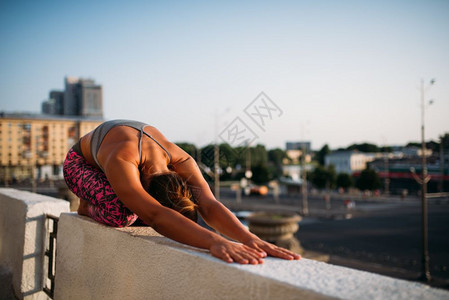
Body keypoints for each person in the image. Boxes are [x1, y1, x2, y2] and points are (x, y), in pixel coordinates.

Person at [63, 119, 300, 265]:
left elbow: (208, 203)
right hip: (79, 164)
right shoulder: (122, 159)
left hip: (112, 160)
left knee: (132, 209)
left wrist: (251, 239)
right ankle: (87, 206)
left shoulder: (180, 158)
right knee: (121, 214)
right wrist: (213, 241)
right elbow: (156, 216)